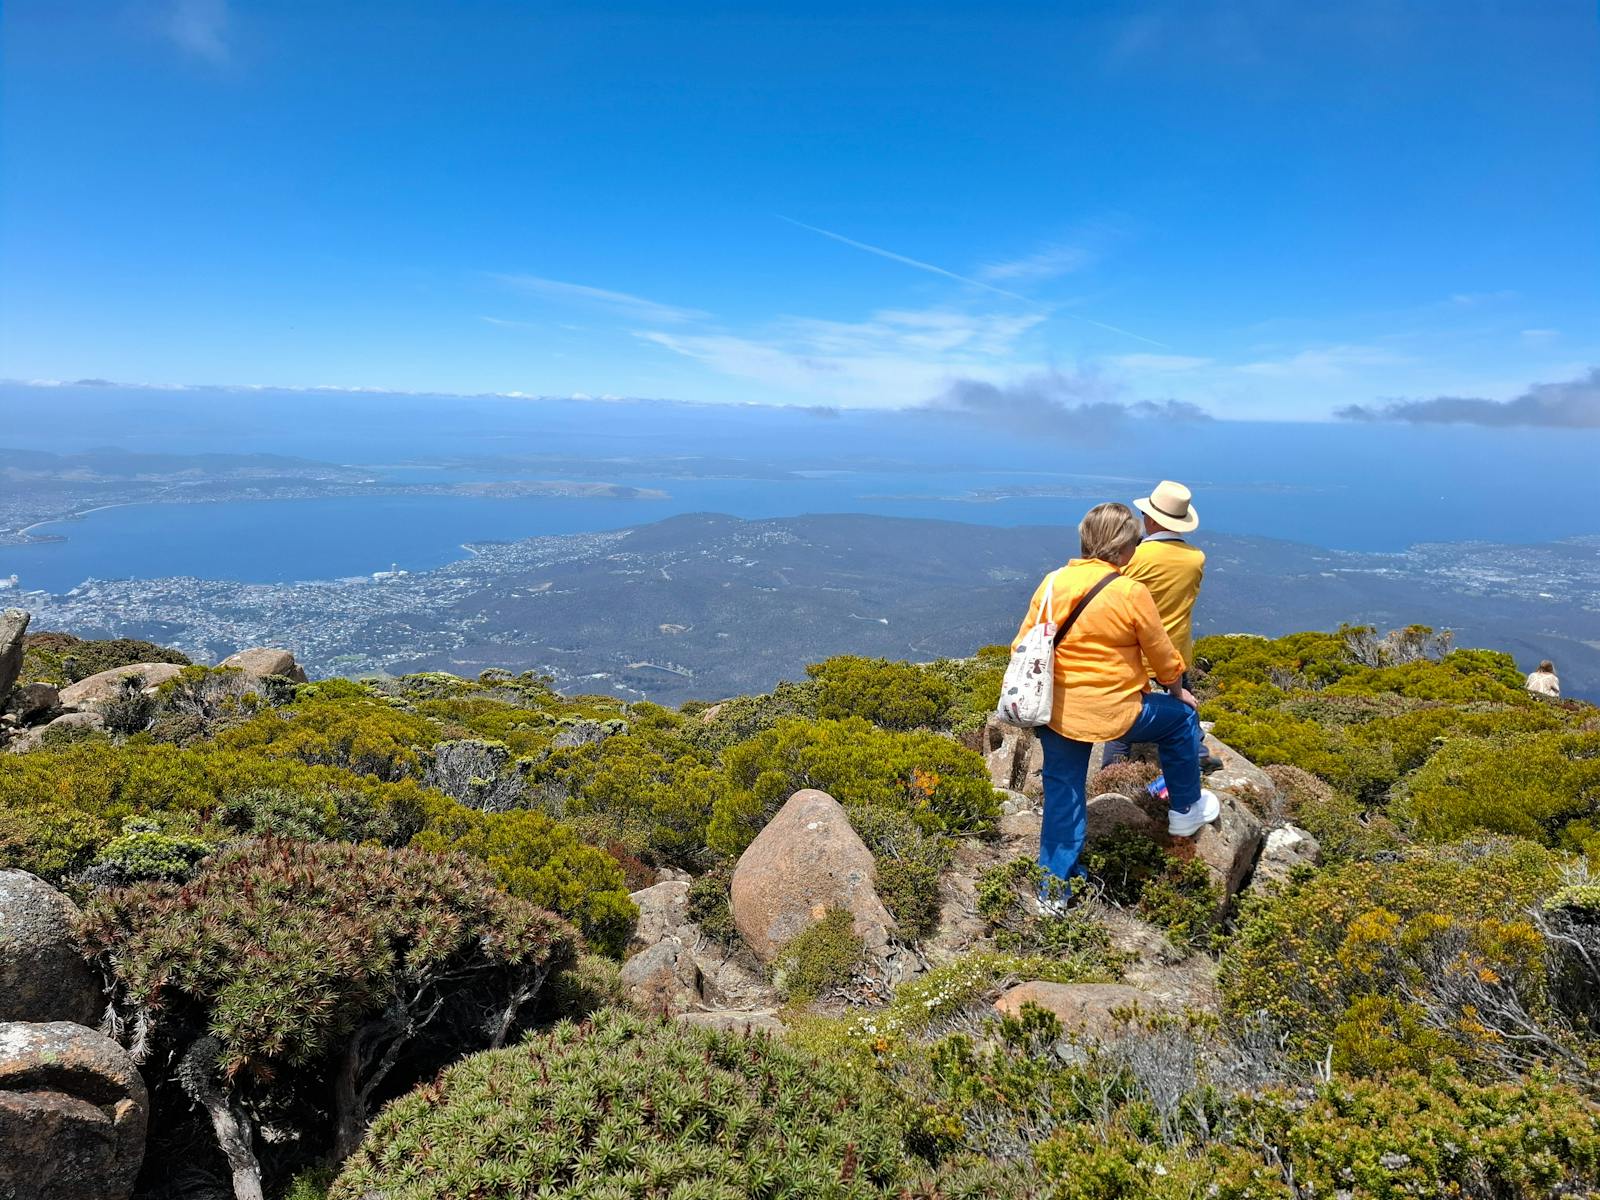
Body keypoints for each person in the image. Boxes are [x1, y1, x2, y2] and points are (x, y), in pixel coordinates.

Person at [1013, 502, 1221, 889]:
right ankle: (1186, 809)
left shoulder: (1053, 582)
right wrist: (1179, 693)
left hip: (1056, 712)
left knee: (1064, 793)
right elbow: (1163, 656)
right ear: (1124, 548)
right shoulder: (1130, 592)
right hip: (1119, 712)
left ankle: (1053, 890)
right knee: (1182, 721)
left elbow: (1021, 645)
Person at [1102, 480, 1223, 772]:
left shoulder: (1136, 556)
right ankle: (1198, 754)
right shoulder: (1196, 558)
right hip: (1176, 650)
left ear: (1153, 519)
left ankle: (1111, 774)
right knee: (1184, 700)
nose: (1142, 520)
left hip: (1137, 651)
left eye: (1145, 515)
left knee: (1125, 719)